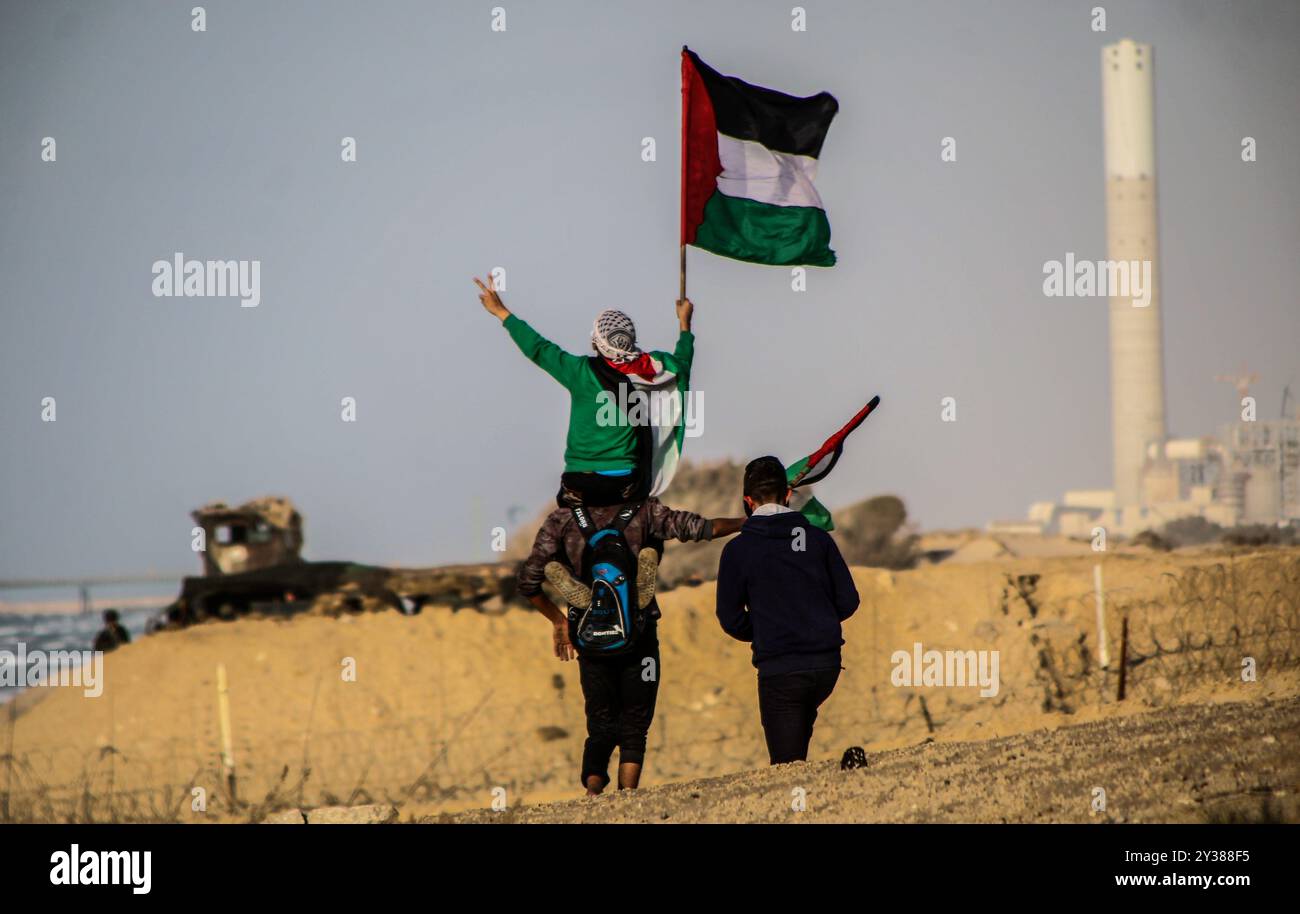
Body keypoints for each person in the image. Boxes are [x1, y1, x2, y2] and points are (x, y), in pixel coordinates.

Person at [517, 498, 744, 795]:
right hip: (639, 636)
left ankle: (593, 791)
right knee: (634, 724)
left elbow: (528, 582)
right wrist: (747, 521)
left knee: (600, 724)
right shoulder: (645, 510)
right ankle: (628, 798)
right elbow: (703, 528)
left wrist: (559, 622)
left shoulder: (562, 519)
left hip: (590, 637)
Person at [474, 273, 695, 507]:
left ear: (595, 343)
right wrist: (685, 325)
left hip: (581, 482)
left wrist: (501, 312)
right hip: (627, 482)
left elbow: (538, 348)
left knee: (555, 532)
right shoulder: (659, 369)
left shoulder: (580, 372)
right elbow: (682, 361)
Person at [714, 456, 860, 765]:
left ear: (748, 501)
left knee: (787, 768)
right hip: (826, 666)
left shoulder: (738, 550)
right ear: (788, 496)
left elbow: (729, 617)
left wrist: (766, 628)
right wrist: (814, 619)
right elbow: (848, 600)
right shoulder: (818, 539)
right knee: (799, 747)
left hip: (781, 671)